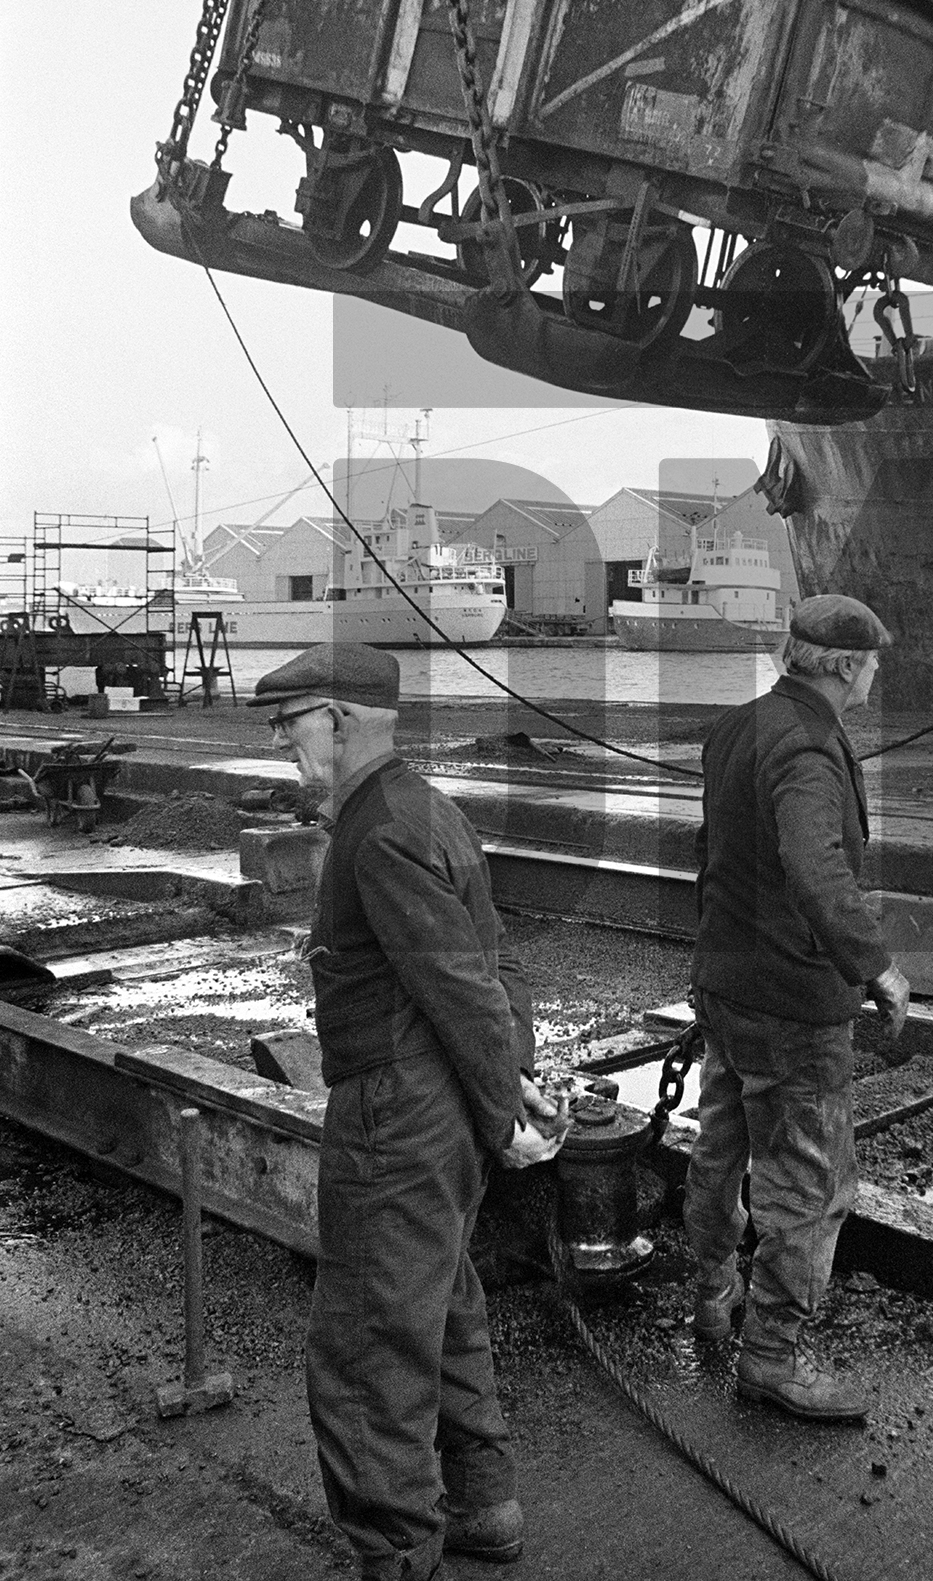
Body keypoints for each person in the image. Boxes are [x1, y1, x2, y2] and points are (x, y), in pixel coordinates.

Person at [252, 643, 567, 1580]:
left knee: (366, 1342)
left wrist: (506, 1102)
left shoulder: (376, 832)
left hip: (397, 1111)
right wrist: (512, 1080)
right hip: (440, 1110)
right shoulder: (425, 808)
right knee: (442, 1300)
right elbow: (494, 963)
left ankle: (396, 1557)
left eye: (290, 722)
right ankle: (484, 1504)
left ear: (340, 722)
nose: (281, 742)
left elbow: (461, 985)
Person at [683, 594, 911, 1423]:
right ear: (846, 667)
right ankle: (771, 1359)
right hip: (791, 1000)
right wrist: (876, 966)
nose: (876, 673)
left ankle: (712, 1292)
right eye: (873, 662)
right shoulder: (812, 748)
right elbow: (816, 868)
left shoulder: (736, 727)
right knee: (811, 1181)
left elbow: (713, 854)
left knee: (722, 1144)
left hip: (729, 984)